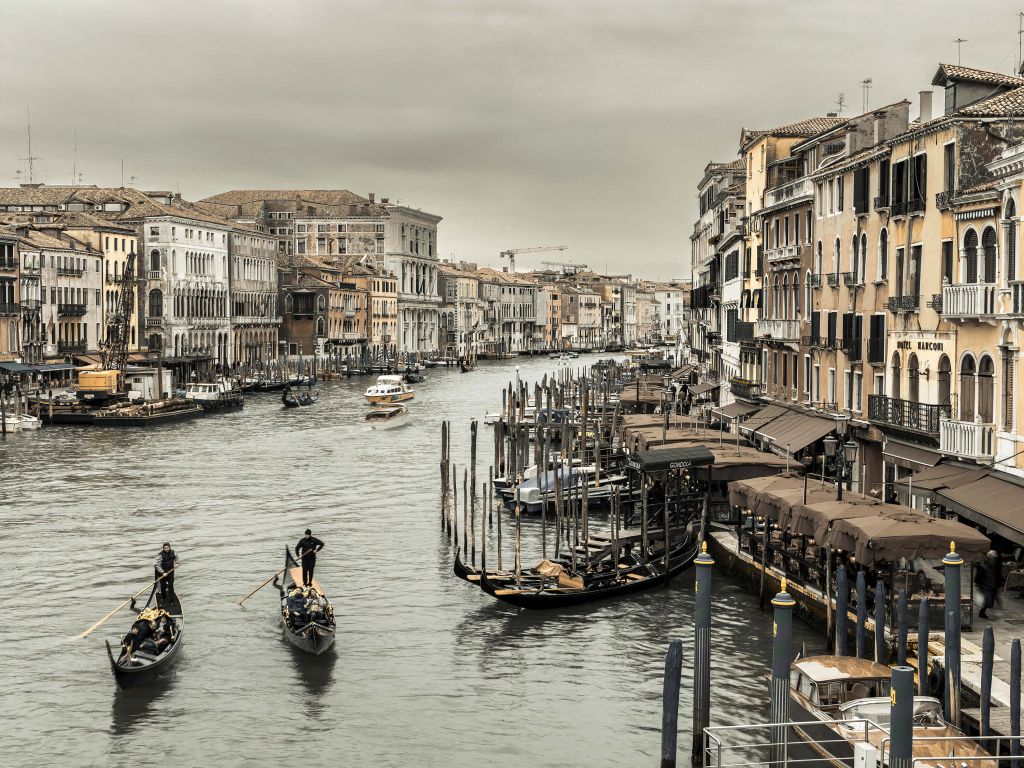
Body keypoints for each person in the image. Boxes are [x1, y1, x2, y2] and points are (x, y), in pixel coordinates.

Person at [976, 550, 1000, 619]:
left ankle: (983, 613)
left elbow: (996, 574)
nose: (993, 559)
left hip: (991, 584)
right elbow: (979, 576)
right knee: (988, 599)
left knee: (990, 599)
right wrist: (979, 584)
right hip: (985, 585)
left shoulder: (994, 564)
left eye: (994, 558)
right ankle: (989, 613)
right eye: (992, 558)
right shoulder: (983, 565)